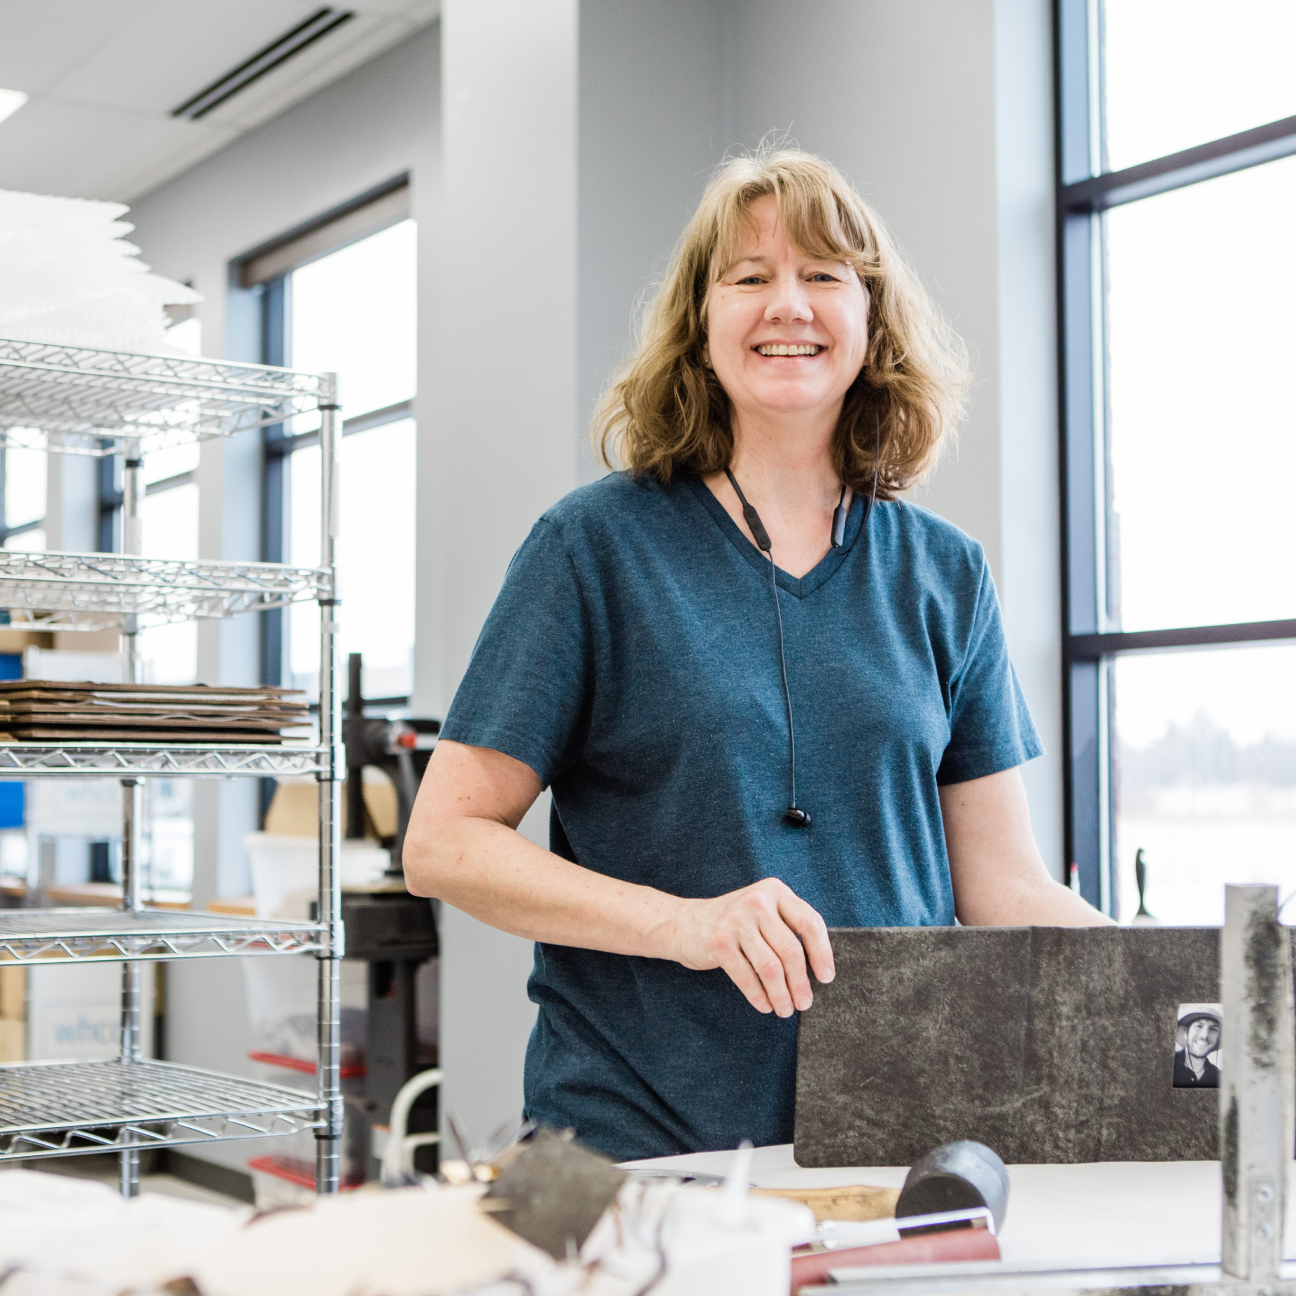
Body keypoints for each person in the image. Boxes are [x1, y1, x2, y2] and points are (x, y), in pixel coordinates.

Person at [402, 148, 1110, 1162]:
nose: (789, 304)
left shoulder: (947, 573)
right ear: (701, 321)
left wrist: (1192, 980)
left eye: (824, 275)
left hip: (888, 1136)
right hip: (627, 1140)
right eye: (749, 277)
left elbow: (1002, 889)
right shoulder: (591, 549)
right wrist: (686, 924)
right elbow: (443, 844)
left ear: (872, 321)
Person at [1173, 1009, 1221, 1088]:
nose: (1205, 1035)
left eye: (1213, 1029)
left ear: (1218, 1038)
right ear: (1186, 1032)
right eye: (1199, 1026)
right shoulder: (1167, 1065)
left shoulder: (1218, 1077)